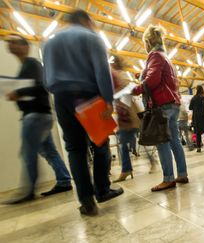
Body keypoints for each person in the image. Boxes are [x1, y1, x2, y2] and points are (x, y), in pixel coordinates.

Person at [42, 10, 123, 215]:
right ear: (86, 20)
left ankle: (86, 200)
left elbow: (46, 79)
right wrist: (108, 100)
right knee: (101, 142)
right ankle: (103, 190)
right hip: (88, 96)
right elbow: (101, 71)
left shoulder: (50, 43)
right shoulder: (91, 38)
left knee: (75, 149)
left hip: (61, 98)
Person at [3, 34, 72, 204]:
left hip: (36, 116)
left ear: (25, 46)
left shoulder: (32, 64)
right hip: (39, 115)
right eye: (8, 42)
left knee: (28, 153)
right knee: (49, 151)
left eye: (14, 42)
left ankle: (28, 191)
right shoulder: (25, 67)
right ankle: (63, 180)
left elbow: (41, 86)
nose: (9, 44)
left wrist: (17, 93)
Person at [133, 25, 188, 192]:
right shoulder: (165, 56)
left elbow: (152, 81)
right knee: (175, 141)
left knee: (162, 140)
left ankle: (168, 179)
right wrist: (142, 75)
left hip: (162, 104)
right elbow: (159, 77)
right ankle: (182, 173)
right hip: (173, 102)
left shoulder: (154, 55)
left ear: (148, 41)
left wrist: (135, 89)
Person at [110, 56, 140, 182]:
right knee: (131, 143)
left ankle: (126, 170)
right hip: (128, 115)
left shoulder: (119, 76)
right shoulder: (122, 76)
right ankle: (151, 162)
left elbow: (127, 94)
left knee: (123, 145)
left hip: (127, 115)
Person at [189, 85, 204, 152]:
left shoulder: (194, 98)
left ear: (196, 90)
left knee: (198, 134)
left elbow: (190, 108)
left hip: (197, 118)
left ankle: (199, 148)